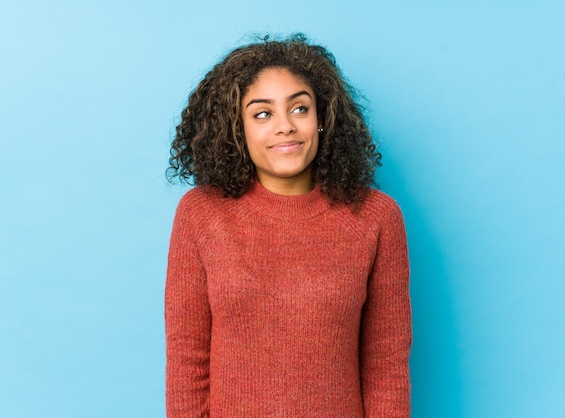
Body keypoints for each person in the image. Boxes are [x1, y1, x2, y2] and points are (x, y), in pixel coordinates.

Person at [165, 34, 412, 417]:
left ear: (322, 120)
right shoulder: (200, 214)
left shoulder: (376, 217)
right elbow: (187, 363)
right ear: (238, 129)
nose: (285, 126)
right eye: (262, 113)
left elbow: (386, 368)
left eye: (299, 109)